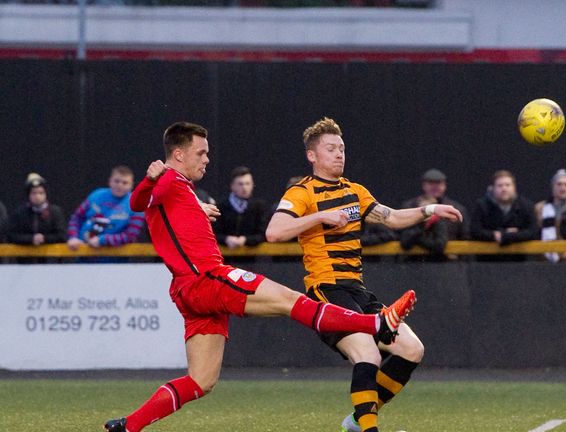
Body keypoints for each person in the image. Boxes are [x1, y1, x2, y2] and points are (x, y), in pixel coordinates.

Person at [103, 121, 416, 432]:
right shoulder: (169, 178)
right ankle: (375, 323)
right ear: (179, 155)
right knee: (289, 300)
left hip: (188, 291)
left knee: (201, 381)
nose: (207, 159)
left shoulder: (181, 188)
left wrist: (196, 205)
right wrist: (148, 180)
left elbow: (158, 208)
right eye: (201, 153)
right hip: (207, 278)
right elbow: (137, 202)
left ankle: (128, 426)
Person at [266, 117, 463, 432]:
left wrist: (430, 210)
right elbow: (274, 232)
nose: (339, 154)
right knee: (368, 354)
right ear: (312, 156)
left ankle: (359, 419)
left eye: (342, 148)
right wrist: (319, 216)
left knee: (412, 349)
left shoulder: (355, 191)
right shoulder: (301, 192)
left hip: (357, 290)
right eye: (331, 149)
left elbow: (393, 218)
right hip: (326, 290)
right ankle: (368, 427)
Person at [66, 165, 144, 250]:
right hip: (83, 256)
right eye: (116, 181)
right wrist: (73, 237)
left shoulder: (137, 204)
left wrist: (103, 240)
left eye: (125, 183)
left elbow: (131, 235)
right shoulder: (96, 195)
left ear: (131, 185)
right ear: (110, 181)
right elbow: (76, 218)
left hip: (114, 260)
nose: (120, 185)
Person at [399, 168, 469, 260]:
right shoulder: (410, 207)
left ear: (445, 185)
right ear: (424, 185)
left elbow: (465, 236)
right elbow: (401, 236)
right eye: (431, 183)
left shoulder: (456, 209)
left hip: (447, 263)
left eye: (439, 183)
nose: (435, 187)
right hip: (413, 261)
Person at [470, 170, 537, 261]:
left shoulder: (526, 206)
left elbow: (533, 231)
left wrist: (509, 236)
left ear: (514, 187)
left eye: (507, 185)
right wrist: (494, 235)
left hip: (518, 261)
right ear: (493, 188)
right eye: (500, 185)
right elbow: (475, 231)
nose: (504, 189)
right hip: (487, 262)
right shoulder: (482, 206)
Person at [213, 166, 269, 250]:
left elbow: (263, 234)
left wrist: (245, 240)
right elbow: (213, 234)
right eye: (240, 184)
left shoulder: (259, 207)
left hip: (252, 260)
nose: (244, 188)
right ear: (232, 186)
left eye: (247, 183)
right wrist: (226, 239)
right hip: (225, 258)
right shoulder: (220, 206)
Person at [6, 173, 67, 247]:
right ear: (28, 195)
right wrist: (31, 239)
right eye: (34, 193)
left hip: (50, 257)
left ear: (46, 194)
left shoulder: (55, 212)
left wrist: (44, 238)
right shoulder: (20, 213)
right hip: (26, 256)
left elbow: (62, 236)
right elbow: (11, 235)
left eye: (41, 193)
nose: (37, 196)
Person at [534, 169, 566, 262]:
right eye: (559, 184)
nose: (563, 188)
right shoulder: (539, 209)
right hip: (546, 261)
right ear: (553, 187)